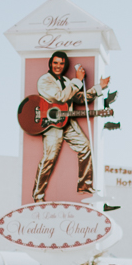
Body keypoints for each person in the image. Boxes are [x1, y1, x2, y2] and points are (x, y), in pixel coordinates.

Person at [32, 50, 110, 202]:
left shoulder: (68, 82)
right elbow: (61, 97)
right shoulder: (44, 81)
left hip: (67, 120)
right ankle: (38, 195)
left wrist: (99, 88)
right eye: (55, 63)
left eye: (61, 63)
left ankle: (85, 185)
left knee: (86, 147)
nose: (58, 66)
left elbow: (79, 98)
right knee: (49, 159)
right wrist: (78, 81)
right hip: (51, 124)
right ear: (50, 63)